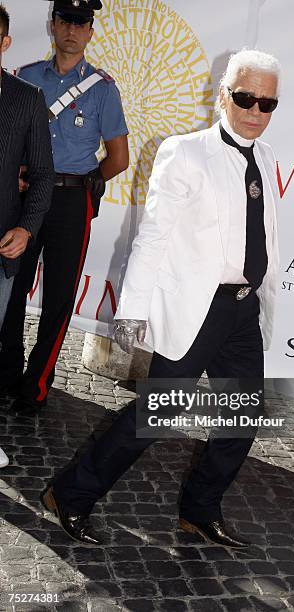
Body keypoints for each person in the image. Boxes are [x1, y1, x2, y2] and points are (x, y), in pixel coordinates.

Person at [42, 49, 280, 547]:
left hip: (243, 312)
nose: (256, 111)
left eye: (267, 103)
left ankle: (199, 509)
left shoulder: (266, 158)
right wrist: (130, 314)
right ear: (223, 96)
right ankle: (71, 494)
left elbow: (262, 239)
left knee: (241, 418)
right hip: (198, 310)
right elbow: (152, 238)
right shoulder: (185, 152)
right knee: (156, 416)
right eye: (246, 98)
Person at [0, 0, 129, 417]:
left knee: (58, 297)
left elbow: (119, 157)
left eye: (81, 22)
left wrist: (89, 183)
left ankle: (36, 385)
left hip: (71, 201)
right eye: (65, 21)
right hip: (23, 197)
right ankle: (6, 372)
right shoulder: (24, 79)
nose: (72, 30)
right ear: (52, 26)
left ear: (90, 31)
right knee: (13, 287)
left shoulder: (103, 88)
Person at [0, 3, 54, 467]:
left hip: (1, 245)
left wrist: (25, 226)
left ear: (4, 43)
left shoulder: (26, 99)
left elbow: (41, 175)